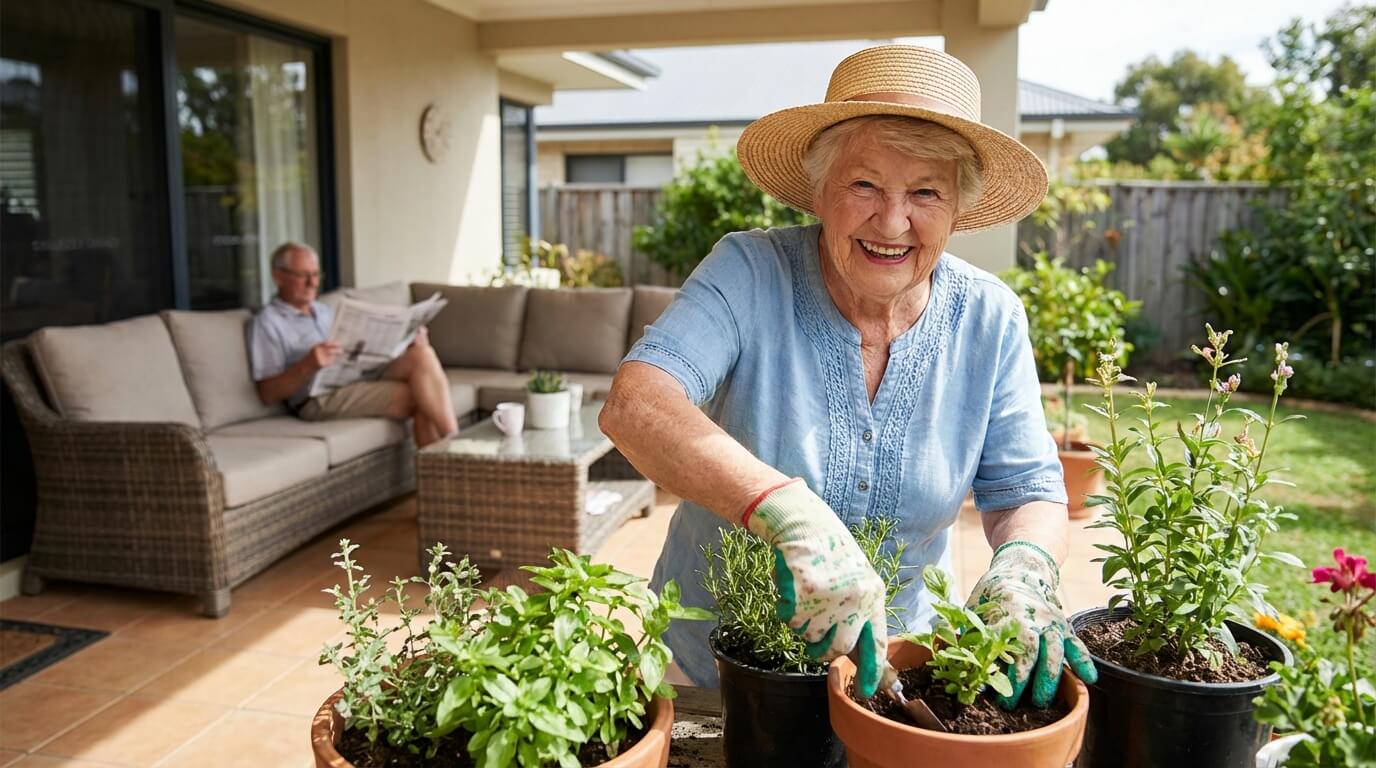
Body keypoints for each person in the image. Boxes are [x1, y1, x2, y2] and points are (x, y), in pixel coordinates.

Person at [598, 45, 1099, 706]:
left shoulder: (991, 319)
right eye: (865, 185)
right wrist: (787, 511)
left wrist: (1025, 566)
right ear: (820, 190)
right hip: (718, 675)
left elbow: (1027, 488)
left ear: (956, 209)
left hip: (896, 675)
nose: (893, 222)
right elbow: (637, 404)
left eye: (925, 193)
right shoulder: (748, 273)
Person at [246, 241, 458, 447]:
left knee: (422, 354)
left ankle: (454, 442)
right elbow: (267, 392)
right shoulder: (267, 322)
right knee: (423, 396)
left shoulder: (323, 311)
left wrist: (406, 339)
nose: (312, 282)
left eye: (315, 274)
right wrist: (307, 364)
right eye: (303, 275)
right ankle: (457, 451)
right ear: (278, 277)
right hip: (319, 397)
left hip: (357, 376)